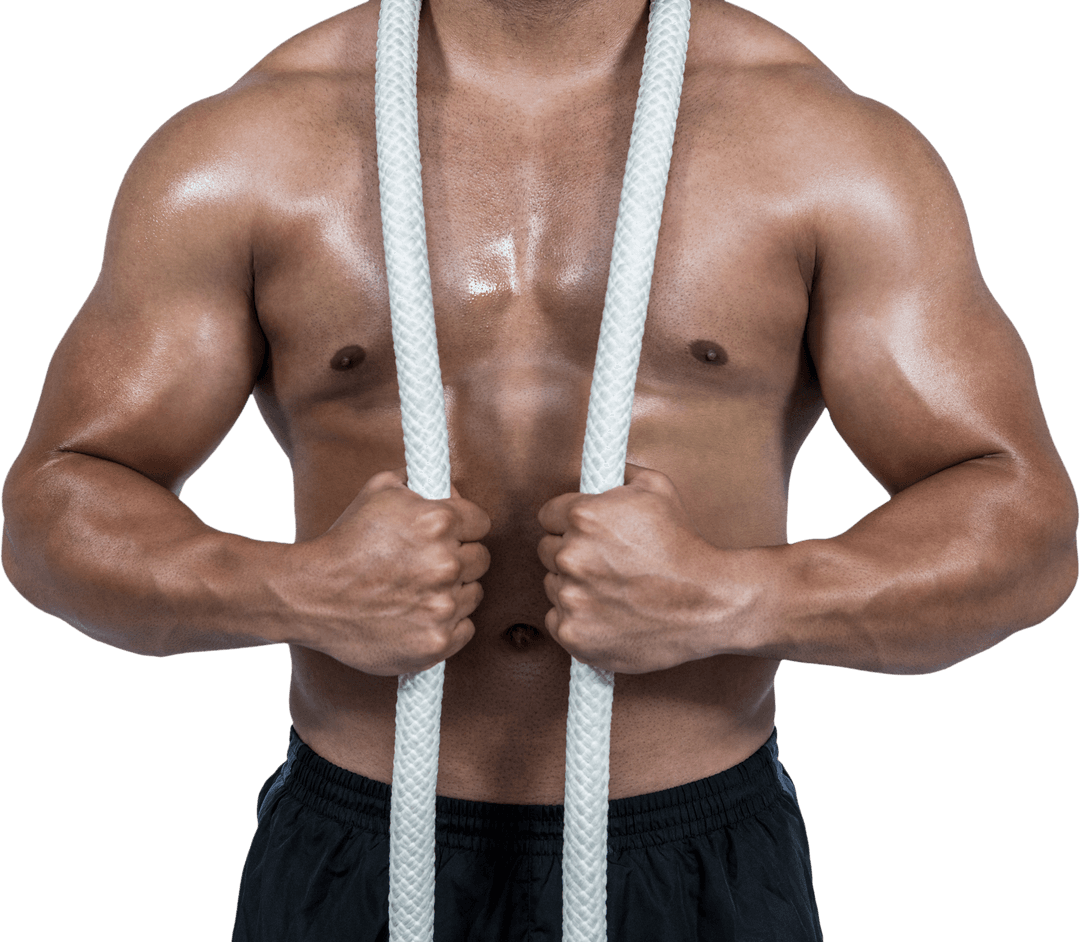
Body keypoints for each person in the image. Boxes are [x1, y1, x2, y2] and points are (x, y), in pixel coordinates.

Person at [2, 0, 1076, 939]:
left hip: (692, 852)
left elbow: (1023, 522)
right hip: (356, 843)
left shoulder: (825, 151)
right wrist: (289, 591)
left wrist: (738, 597)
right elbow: (57, 502)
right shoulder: (246, 152)